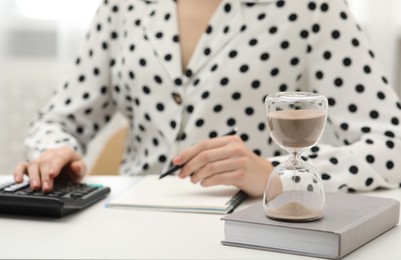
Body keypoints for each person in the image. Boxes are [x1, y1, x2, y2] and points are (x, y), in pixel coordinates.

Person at [13, 0, 401, 197]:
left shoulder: (313, 8)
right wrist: (54, 153)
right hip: (129, 222)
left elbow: (392, 144)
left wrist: (276, 175)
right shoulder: (123, 5)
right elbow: (58, 120)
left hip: (251, 232)